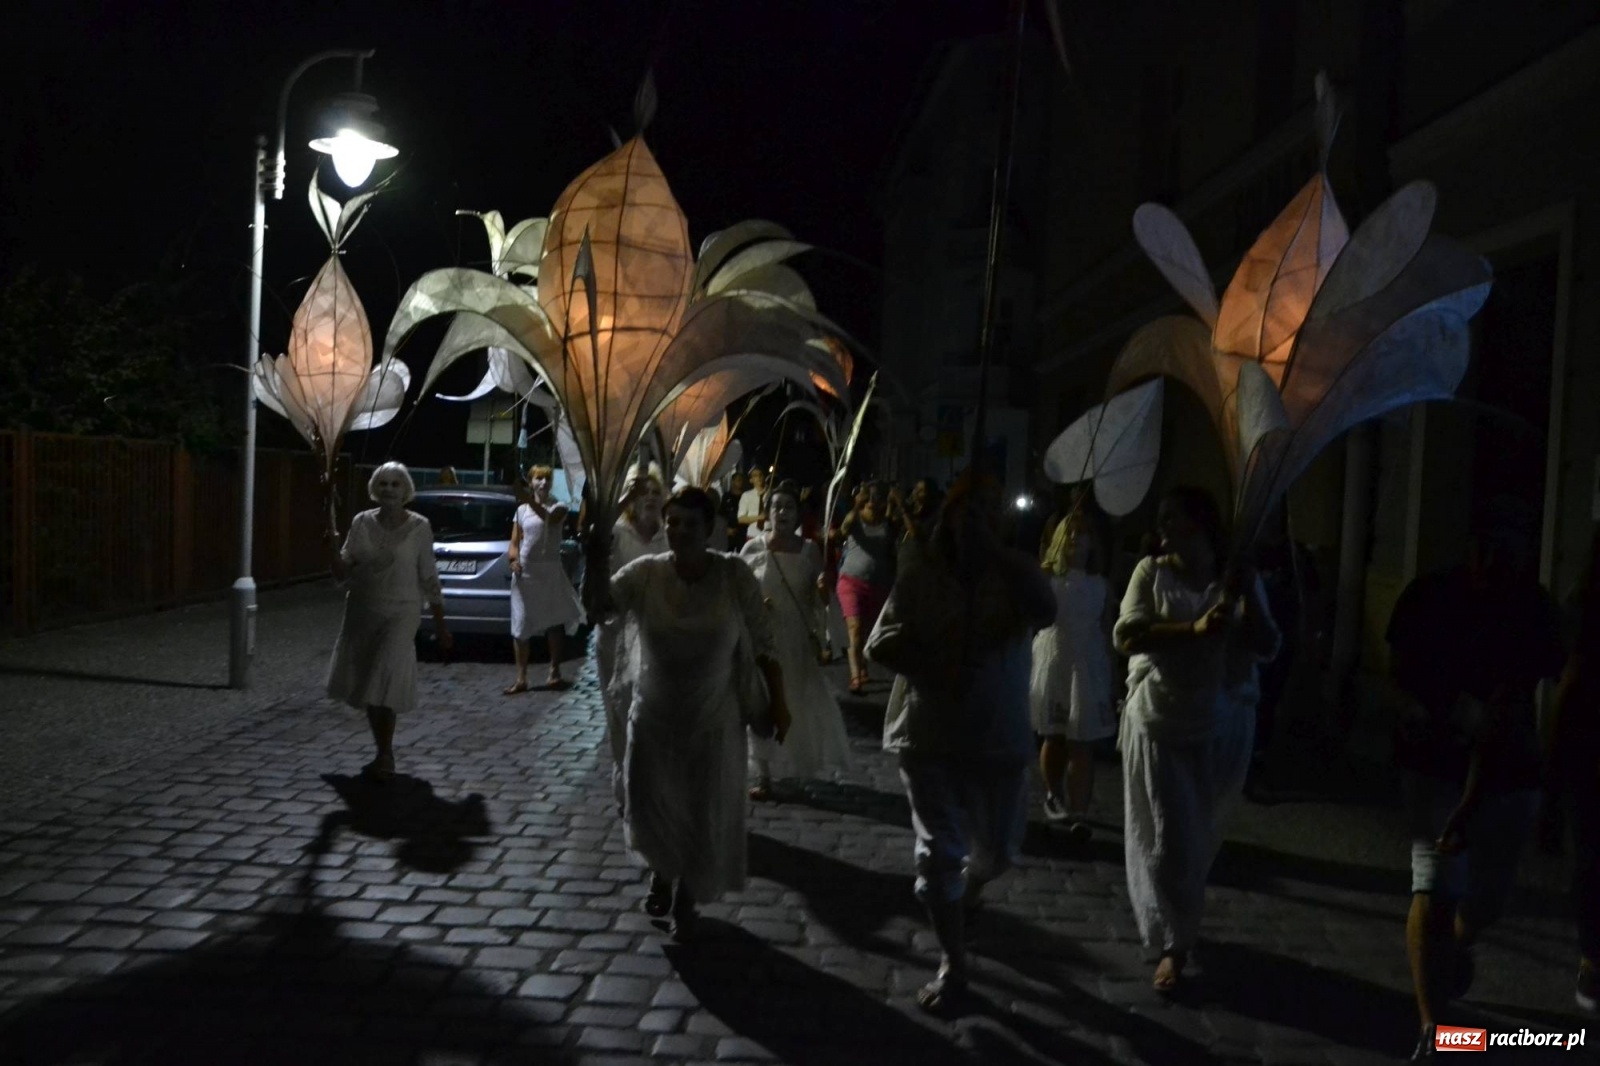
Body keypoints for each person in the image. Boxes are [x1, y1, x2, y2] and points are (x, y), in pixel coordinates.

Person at [868, 473, 1055, 1014]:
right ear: (947, 518)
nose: (973, 521)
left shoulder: (1017, 577)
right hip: (930, 736)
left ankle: (972, 887)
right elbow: (884, 642)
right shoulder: (922, 575)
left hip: (997, 740)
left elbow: (1046, 610)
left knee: (996, 851)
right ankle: (954, 963)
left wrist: (1000, 557)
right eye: (964, 511)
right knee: (939, 854)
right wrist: (935, 663)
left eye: (987, 512)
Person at [1386, 499, 1565, 1058]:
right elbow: (1399, 674)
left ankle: (1455, 950)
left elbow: (1513, 709)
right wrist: (1417, 708)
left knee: (1485, 902)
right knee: (1433, 886)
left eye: (1504, 547)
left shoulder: (1533, 609)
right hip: (1433, 768)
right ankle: (1436, 1032)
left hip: (1507, 772)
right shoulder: (1429, 596)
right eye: (1481, 544)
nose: (1489, 558)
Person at [595, 486, 791, 941]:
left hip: (713, 716)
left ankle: (684, 899)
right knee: (654, 805)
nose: (679, 531)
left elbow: (764, 642)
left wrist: (778, 702)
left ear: (711, 530)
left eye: (690, 524)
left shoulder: (734, 574)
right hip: (655, 713)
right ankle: (661, 874)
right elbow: (602, 608)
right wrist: (592, 556)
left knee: (702, 811)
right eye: (673, 522)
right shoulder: (645, 573)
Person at [1115, 486, 1279, 994]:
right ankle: (1174, 944)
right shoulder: (1151, 572)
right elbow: (1127, 635)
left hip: (1222, 722)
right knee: (1169, 842)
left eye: (1173, 513)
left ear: (1200, 522)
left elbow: (1268, 645)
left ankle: (1177, 925)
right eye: (1161, 515)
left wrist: (1248, 594)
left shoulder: (1234, 577)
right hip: (1161, 721)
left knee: (1198, 836)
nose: (1162, 523)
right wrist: (1191, 629)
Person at [324, 462, 453, 780]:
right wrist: (330, 539)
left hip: (402, 612)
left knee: (385, 674)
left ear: (406, 489)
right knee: (370, 681)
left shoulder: (420, 527)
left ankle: (386, 753)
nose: (389, 490)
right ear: (374, 488)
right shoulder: (361, 522)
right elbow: (342, 571)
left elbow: (429, 576)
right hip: (363, 610)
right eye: (383, 484)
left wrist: (440, 623)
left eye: (396, 484)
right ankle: (382, 750)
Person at [741, 479, 851, 800]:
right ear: (767, 512)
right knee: (761, 701)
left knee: (795, 701)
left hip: (795, 639)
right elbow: (739, 589)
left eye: (788, 507)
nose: (782, 512)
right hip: (762, 639)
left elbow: (820, 601)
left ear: (798, 514)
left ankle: (797, 763)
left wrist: (821, 589)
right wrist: (754, 603)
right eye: (776, 506)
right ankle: (762, 773)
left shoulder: (809, 550)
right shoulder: (753, 548)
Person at [1030, 507, 1115, 838]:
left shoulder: (1100, 584)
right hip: (1055, 657)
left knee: (1083, 740)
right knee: (1055, 733)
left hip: (1088, 660)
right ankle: (1054, 793)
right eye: (1071, 533)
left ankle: (1080, 810)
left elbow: (1106, 628)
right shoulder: (1049, 579)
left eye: (1084, 535)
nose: (1077, 541)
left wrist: (1111, 673)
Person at [595, 463, 669, 812]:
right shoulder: (616, 533)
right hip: (616, 634)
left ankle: (650, 785)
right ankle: (624, 779)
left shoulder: (669, 535)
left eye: (656, 492)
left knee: (653, 713)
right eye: (644, 493)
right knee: (620, 711)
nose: (651, 498)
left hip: (657, 636)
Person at [1548, 527, 1600, 1013]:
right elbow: (1572, 679)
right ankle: (1592, 961)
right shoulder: (1586, 605)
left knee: (1590, 855)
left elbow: (1569, 684)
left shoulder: (1583, 602)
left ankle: (1592, 960)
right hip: (1591, 747)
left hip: (1588, 746)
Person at [506, 464, 583, 693]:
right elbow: (515, 541)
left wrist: (527, 499)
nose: (543, 483)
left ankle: (554, 670)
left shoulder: (560, 506)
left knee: (553, 622)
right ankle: (521, 677)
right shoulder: (521, 511)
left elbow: (549, 519)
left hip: (549, 572)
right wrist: (512, 559)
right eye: (538, 478)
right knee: (520, 624)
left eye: (547, 479)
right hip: (525, 573)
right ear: (531, 482)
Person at [833, 480, 904, 695]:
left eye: (877, 497)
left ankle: (862, 667)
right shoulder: (855, 519)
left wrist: (897, 502)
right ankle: (856, 677)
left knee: (867, 632)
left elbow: (899, 530)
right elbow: (843, 530)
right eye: (869, 496)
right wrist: (855, 506)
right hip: (851, 581)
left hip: (878, 585)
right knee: (855, 630)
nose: (872, 501)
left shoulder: (888, 521)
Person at [738, 466, 769, 537]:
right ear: (751, 480)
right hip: (753, 533)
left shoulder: (771, 494)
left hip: (768, 534)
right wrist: (759, 517)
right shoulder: (746, 495)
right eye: (755, 476)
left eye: (760, 475)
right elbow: (741, 518)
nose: (759, 477)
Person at [722, 471, 748, 549]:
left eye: (742, 480)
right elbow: (722, 514)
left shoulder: (745, 497)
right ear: (733, 481)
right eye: (738, 480)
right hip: (729, 532)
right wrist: (726, 528)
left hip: (742, 532)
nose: (741, 482)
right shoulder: (726, 496)